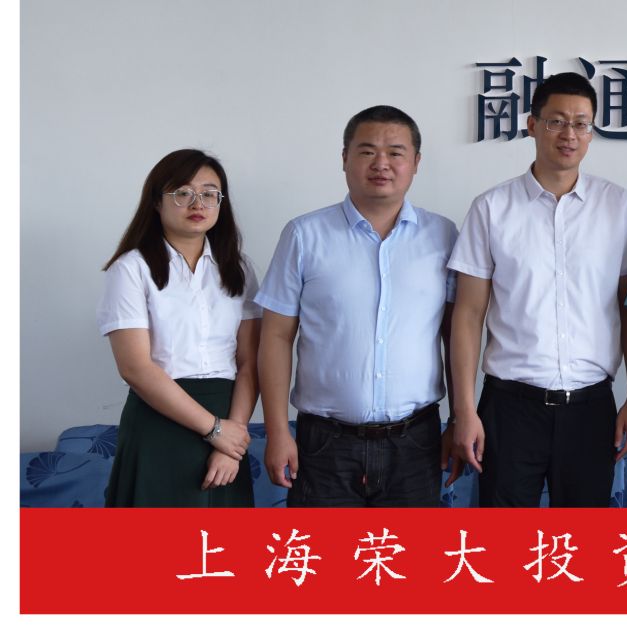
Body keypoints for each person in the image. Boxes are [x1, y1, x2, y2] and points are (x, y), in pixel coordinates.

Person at [445, 73, 627, 506]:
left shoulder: (618, 206)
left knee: (583, 541)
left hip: (591, 406)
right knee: (504, 540)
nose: (569, 134)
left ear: (591, 133)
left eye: (581, 124)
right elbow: (467, 315)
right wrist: (463, 410)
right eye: (556, 121)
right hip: (510, 406)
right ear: (532, 125)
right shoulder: (492, 208)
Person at [257, 105, 458, 506]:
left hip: (416, 442)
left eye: (395, 152)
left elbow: (456, 336)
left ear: (416, 162)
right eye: (367, 151)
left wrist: (458, 417)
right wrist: (277, 431)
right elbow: (276, 337)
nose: (381, 163)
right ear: (345, 158)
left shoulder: (443, 235)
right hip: (325, 444)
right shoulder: (304, 235)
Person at [97, 149, 262, 506]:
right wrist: (214, 430)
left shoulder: (239, 269)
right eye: (182, 192)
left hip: (227, 416)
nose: (197, 203)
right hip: (159, 419)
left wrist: (231, 442)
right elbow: (135, 368)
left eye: (209, 193)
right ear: (157, 201)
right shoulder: (130, 269)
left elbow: (250, 363)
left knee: (221, 539)